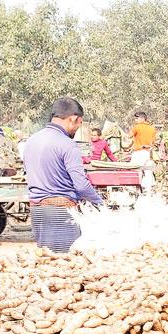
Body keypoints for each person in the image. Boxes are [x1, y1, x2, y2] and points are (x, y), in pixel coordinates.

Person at [23, 97, 104, 253]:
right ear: (74, 119)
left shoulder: (32, 141)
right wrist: (99, 203)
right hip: (60, 211)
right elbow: (81, 185)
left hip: (37, 211)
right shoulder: (67, 144)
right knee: (66, 262)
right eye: (79, 124)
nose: (77, 129)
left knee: (47, 260)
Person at [130, 112, 157, 190]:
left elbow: (129, 136)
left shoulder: (137, 127)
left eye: (136, 118)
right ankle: (148, 188)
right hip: (147, 153)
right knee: (147, 170)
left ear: (142, 118)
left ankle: (133, 188)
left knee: (133, 169)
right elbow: (154, 141)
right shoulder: (152, 128)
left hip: (138, 152)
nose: (135, 120)